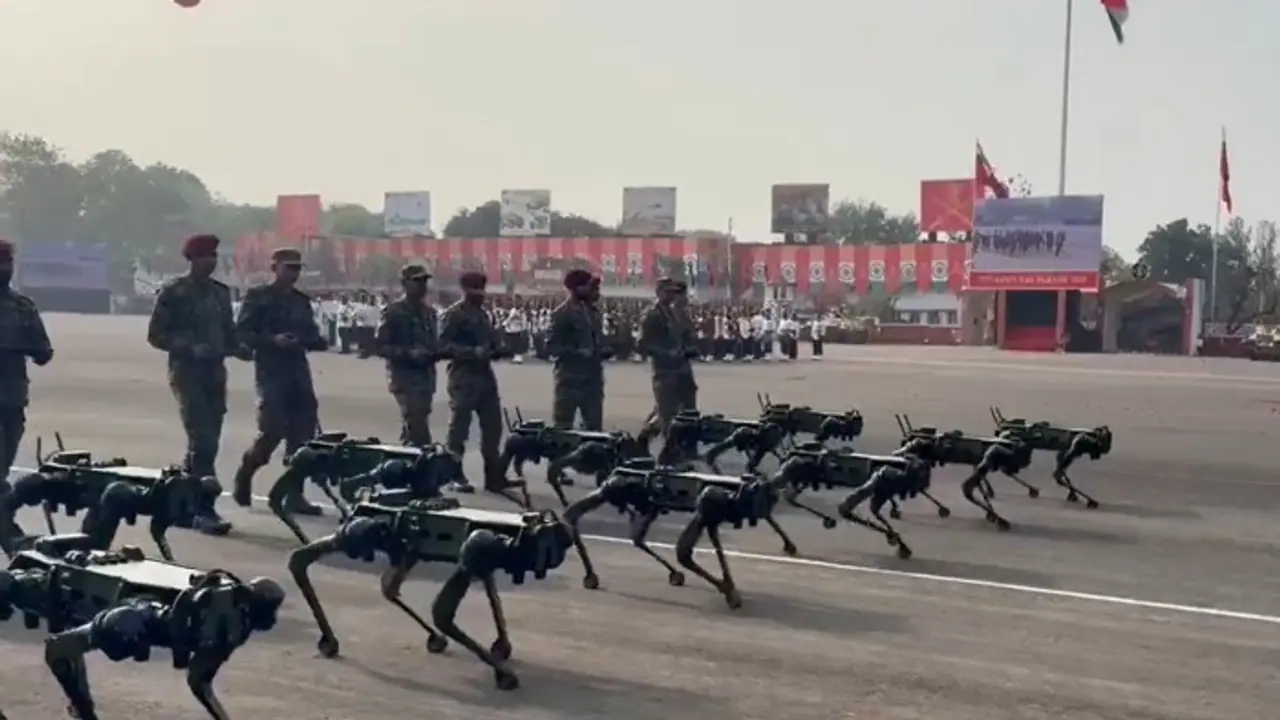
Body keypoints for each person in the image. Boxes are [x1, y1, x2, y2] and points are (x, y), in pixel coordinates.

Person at [145, 233, 238, 535]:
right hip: (187, 373)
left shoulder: (221, 293)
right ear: (193, 259)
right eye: (206, 256)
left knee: (208, 440)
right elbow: (156, 335)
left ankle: (182, 504)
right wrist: (190, 347)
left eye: (214, 256)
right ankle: (203, 508)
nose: (211, 261)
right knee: (203, 439)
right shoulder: (174, 292)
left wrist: (244, 347)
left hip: (215, 373)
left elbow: (230, 333)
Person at [230, 247, 328, 514]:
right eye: (289, 267)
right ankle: (246, 472)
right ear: (275, 268)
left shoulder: (301, 301)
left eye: (297, 268)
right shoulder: (258, 297)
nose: (294, 273)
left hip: (298, 372)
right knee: (271, 432)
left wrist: (307, 340)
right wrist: (272, 340)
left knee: (302, 437)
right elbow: (242, 332)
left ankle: (294, 494)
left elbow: (313, 335)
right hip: (271, 372)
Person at [438, 271, 520, 496]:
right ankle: (453, 475)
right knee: (459, 429)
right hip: (463, 377)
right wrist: (471, 352)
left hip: (485, 376)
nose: (481, 294)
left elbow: (492, 342)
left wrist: (500, 349)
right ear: (465, 290)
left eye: (482, 290)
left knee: (493, 428)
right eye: (476, 290)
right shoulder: (454, 314)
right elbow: (441, 345)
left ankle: (494, 477)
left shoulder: (483, 315)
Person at [0, 239, 53, 485]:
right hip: (11, 397)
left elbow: (43, 352)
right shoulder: (22, 306)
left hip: (11, 399)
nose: (5, 268)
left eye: (7, 262)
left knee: (4, 463)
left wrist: (23, 347)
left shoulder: (22, 306)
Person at [374, 265, 440, 446]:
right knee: (418, 428)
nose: (422, 286)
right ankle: (421, 458)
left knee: (414, 424)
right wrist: (408, 353)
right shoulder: (393, 312)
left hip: (426, 378)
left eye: (424, 281)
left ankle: (405, 458)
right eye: (417, 281)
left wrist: (435, 352)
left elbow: (434, 342)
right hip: (404, 378)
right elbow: (379, 346)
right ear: (404, 284)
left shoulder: (430, 313)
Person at [546, 269, 608, 430]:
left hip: (592, 380)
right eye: (589, 286)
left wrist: (603, 349)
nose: (594, 290)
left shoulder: (593, 313)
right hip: (570, 380)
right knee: (563, 429)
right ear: (576, 288)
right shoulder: (562, 313)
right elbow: (550, 346)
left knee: (594, 429)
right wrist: (577, 352)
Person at [638, 277, 698, 437]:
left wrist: (688, 349)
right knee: (667, 416)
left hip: (681, 371)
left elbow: (681, 338)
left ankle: (682, 446)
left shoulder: (673, 314)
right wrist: (665, 352)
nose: (672, 295)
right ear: (658, 292)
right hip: (664, 372)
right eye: (668, 292)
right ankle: (656, 442)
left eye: (674, 292)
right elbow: (642, 345)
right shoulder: (652, 315)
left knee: (687, 413)